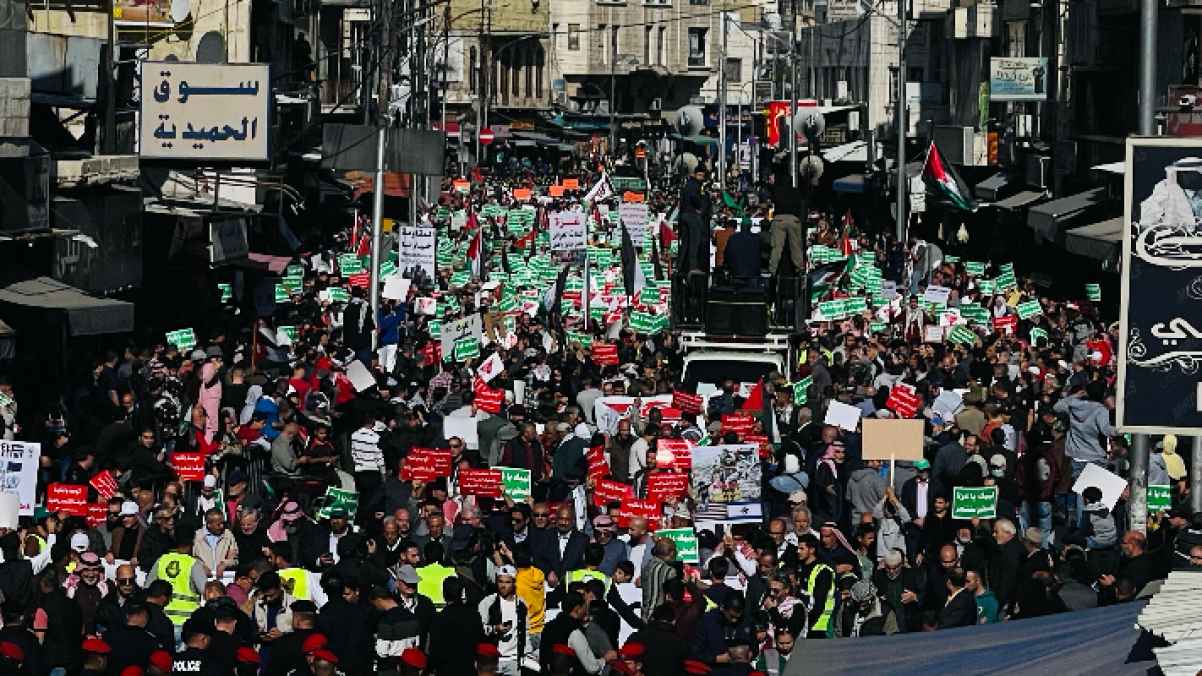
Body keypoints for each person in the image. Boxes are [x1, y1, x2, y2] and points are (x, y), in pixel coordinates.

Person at [796, 534, 834, 638]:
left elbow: (819, 602)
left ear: (812, 549)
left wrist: (807, 622)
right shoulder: (799, 568)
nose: (798, 551)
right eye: (797, 548)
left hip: (819, 626)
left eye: (802, 548)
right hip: (803, 625)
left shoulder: (823, 571)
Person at [724, 218, 763, 283]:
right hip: (753, 274)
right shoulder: (757, 239)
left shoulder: (733, 238)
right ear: (750, 227)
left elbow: (727, 254)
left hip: (736, 272)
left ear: (741, 226)